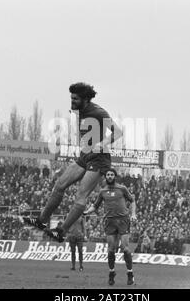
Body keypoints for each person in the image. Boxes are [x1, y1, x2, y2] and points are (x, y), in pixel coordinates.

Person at [24, 82, 122, 242]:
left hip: (99, 158)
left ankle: (61, 232)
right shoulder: (79, 109)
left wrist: (101, 144)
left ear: (85, 99)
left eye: (75, 99)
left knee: (80, 195)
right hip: (85, 155)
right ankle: (41, 221)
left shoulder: (99, 112)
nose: (72, 101)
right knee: (59, 185)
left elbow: (118, 132)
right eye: (71, 98)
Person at [84, 168, 137, 286]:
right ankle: (112, 273)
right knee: (111, 250)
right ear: (105, 177)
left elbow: (132, 201)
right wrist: (87, 212)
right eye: (107, 174)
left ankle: (130, 274)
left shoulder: (122, 188)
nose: (109, 176)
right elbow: (95, 206)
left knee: (126, 249)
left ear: (115, 176)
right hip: (110, 221)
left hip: (123, 220)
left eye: (111, 174)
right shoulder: (102, 191)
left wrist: (133, 214)